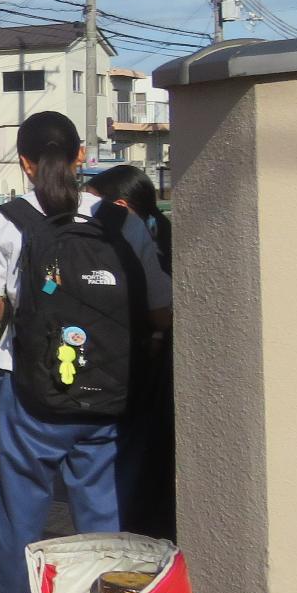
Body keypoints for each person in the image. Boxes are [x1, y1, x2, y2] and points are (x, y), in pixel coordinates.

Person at [0, 112, 172, 593]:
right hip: (107, 388)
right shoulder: (120, 220)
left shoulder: (5, 221)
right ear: (83, 156)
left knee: (18, 515)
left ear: (24, 163)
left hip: (27, 392)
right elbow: (161, 310)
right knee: (103, 516)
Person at [86, 163, 175, 540]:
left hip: (136, 371)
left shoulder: (133, 240)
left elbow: (159, 312)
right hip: (153, 367)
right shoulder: (163, 233)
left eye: (94, 204)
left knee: (129, 458)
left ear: (120, 205)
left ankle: (123, 532)